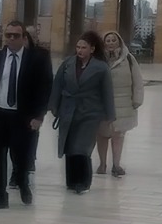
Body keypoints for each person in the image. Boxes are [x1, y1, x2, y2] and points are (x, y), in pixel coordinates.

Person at [0, 19, 53, 209]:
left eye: (16, 36)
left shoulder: (36, 59)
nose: (11, 39)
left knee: (21, 155)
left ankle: (23, 182)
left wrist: (39, 116)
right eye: (8, 35)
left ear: (23, 37)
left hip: (23, 116)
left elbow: (44, 89)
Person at [49, 31, 115, 194]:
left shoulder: (101, 68)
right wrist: (54, 106)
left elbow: (107, 92)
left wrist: (109, 115)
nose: (80, 50)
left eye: (83, 47)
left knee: (82, 147)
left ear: (92, 49)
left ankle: (83, 181)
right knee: (69, 147)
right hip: (68, 110)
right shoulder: (68, 64)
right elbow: (58, 85)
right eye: (78, 47)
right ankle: (71, 180)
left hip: (89, 113)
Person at [97, 30, 146, 177]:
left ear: (119, 42)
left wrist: (137, 99)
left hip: (123, 103)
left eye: (114, 40)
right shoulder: (98, 59)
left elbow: (138, 81)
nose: (111, 43)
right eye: (108, 40)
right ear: (103, 43)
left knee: (118, 134)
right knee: (101, 134)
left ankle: (116, 164)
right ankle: (102, 163)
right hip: (102, 103)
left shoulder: (129, 59)